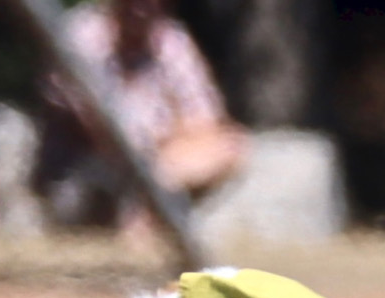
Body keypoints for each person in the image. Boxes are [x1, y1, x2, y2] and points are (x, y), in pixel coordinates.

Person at [32, 0, 246, 239]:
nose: (142, 8)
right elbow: (99, 130)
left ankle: (145, 212)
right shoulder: (81, 34)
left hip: (161, 162)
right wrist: (171, 137)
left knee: (229, 146)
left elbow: (205, 120)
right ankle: (146, 218)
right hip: (88, 169)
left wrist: (164, 156)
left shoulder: (170, 40)